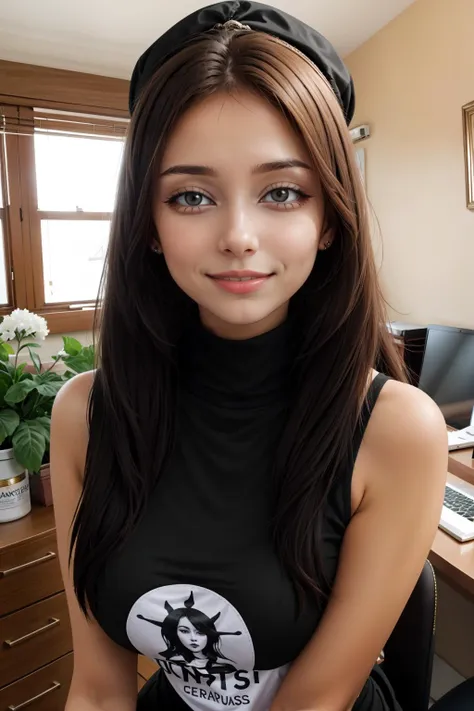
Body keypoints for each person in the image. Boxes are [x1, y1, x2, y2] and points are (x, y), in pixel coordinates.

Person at [50, 3, 448, 711]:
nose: (238, 235)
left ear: (329, 219)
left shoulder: (397, 430)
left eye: (283, 192)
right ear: (148, 222)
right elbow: (97, 686)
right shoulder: (85, 414)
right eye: (193, 195)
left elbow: (316, 700)